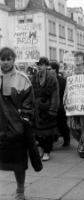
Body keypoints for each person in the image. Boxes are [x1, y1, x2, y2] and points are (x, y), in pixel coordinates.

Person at [0, 47, 36, 200]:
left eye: (9, 59)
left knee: (18, 161)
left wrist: (24, 119)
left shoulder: (23, 78)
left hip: (16, 128)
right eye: (3, 59)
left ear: (14, 60)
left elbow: (29, 103)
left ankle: (20, 191)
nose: (6, 62)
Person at [64, 51, 84, 158]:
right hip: (73, 104)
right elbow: (67, 89)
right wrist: (65, 102)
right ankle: (82, 141)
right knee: (72, 126)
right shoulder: (70, 73)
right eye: (75, 57)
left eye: (79, 57)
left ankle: (83, 148)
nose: (76, 59)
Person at [31, 57, 59, 162]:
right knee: (37, 131)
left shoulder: (52, 78)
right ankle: (41, 148)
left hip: (47, 108)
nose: (39, 66)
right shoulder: (33, 78)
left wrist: (53, 108)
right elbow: (30, 92)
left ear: (46, 65)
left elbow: (55, 94)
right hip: (36, 108)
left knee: (48, 131)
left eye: (41, 64)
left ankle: (47, 151)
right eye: (38, 64)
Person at [49, 61, 70, 147]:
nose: (48, 70)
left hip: (61, 106)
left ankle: (66, 139)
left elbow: (66, 93)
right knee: (52, 124)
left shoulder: (62, 81)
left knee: (62, 124)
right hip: (51, 106)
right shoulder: (48, 80)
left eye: (49, 69)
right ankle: (54, 137)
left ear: (54, 70)